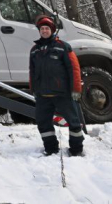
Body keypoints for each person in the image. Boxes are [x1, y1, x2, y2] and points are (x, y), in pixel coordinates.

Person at [29, 15, 84, 156]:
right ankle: (51, 148)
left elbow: (74, 68)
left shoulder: (63, 47)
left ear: (52, 30)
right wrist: (33, 89)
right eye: (42, 28)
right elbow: (32, 71)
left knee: (74, 122)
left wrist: (76, 89)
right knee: (43, 123)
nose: (44, 31)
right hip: (43, 95)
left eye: (47, 28)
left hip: (62, 93)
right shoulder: (35, 50)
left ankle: (77, 149)